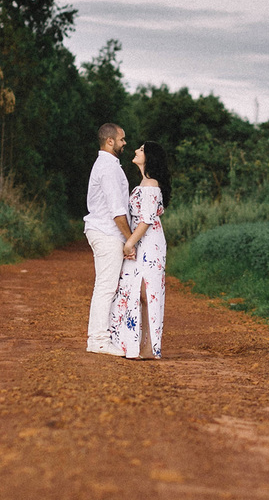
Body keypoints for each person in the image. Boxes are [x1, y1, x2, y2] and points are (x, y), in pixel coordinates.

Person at [108, 141, 172, 359]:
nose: (136, 151)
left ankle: (148, 347)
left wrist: (129, 243)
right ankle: (134, 345)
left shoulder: (151, 184)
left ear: (150, 157)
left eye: (142, 149)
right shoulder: (145, 183)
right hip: (141, 240)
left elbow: (146, 219)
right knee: (133, 290)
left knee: (146, 293)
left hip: (148, 242)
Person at [83, 122, 133, 355]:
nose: (125, 143)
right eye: (122, 139)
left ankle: (104, 337)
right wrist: (130, 239)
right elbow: (117, 211)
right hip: (106, 232)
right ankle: (98, 340)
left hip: (102, 231)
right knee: (105, 286)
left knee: (106, 285)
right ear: (110, 141)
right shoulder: (109, 167)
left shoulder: (107, 165)